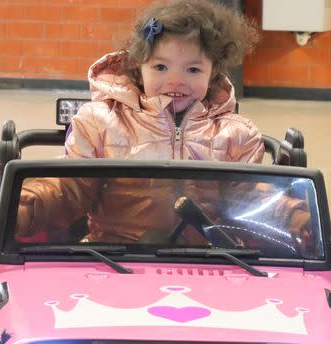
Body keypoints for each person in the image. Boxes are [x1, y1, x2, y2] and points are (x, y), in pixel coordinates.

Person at [16, 0, 311, 249]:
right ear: (137, 68)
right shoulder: (100, 121)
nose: (176, 80)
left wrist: (295, 218)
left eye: (193, 69)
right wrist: (27, 206)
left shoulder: (236, 133)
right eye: (160, 67)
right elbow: (70, 186)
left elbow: (251, 197)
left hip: (212, 258)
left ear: (213, 73)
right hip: (112, 255)